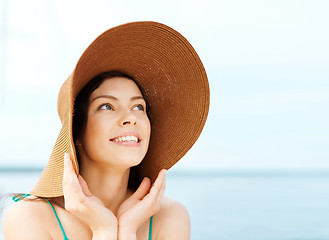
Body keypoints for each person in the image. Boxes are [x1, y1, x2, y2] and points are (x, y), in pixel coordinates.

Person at [2, 21, 209, 240]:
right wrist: (104, 230)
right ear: (76, 132)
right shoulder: (29, 218)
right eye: (107, 106)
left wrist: (127, 229)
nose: (131, 118)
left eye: (138, 106)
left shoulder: (169, 217)